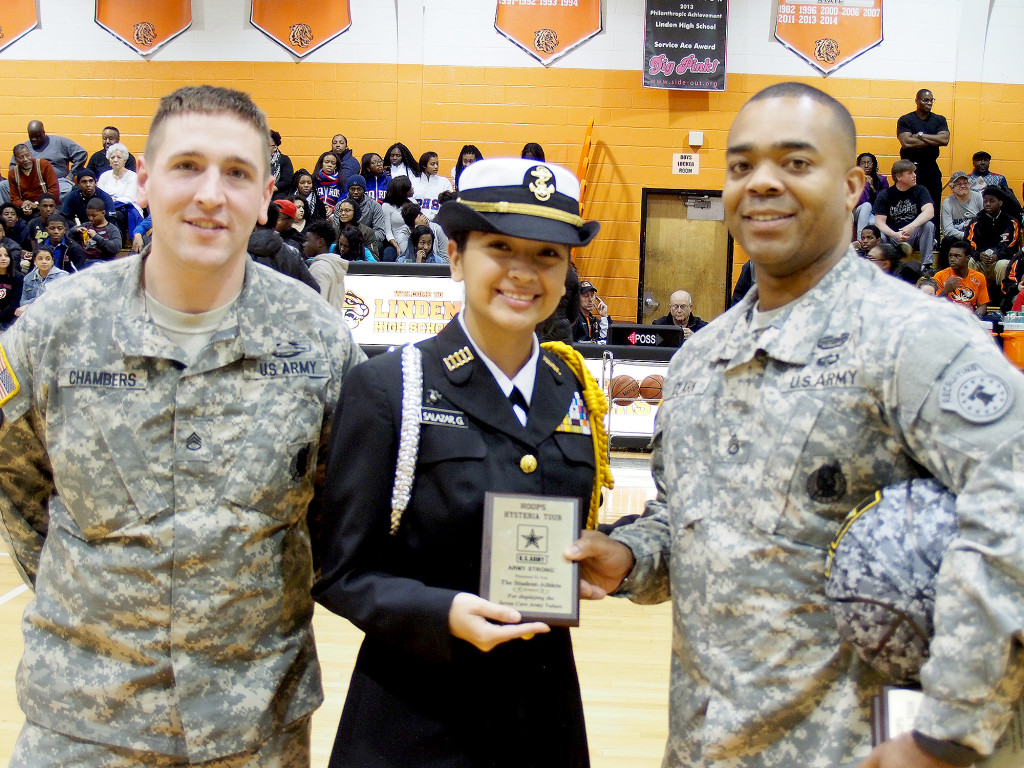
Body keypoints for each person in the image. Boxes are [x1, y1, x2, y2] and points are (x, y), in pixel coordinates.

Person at [565, 81, 1024, 768]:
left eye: (796, 163)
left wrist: (948, 732)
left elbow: (1012, 512)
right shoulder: (700, 360)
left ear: (852, 186)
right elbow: (690, 518)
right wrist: (632, 556)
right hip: (705, 745)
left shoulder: (915, 339)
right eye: (742, 165)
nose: (762, 183)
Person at [0, 84, 365, 766]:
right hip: (83, 727)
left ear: (265, 198)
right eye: (186, 166)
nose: (210, 194)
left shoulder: (317, 339)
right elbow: (20, 492)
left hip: (254, 729)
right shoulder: (57, 328)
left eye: (237, 173)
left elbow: (338, 511)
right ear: (143, 180)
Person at [312, 156, 605, 768]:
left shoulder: (570, 387)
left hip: (542, 723)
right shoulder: (391, 386)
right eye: (499, 247)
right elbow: (339, 571)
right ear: (455, 254)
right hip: (416, 724)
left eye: (549, 254)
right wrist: (440, 612)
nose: (524, 273)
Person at [896, 88, 949, 226]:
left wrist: (919, 135)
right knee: (910, 204)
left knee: (933, 204)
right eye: (926, 100)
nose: (929, 103)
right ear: (917, 101)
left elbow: (944, 140)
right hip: (910, 168)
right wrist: (933, 140)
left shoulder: (939, 119)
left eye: (931, 100)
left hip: (931, 168)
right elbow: (906, 142)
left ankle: (934, 240)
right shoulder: (906, 119)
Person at [873, 159, 936, 266]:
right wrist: (895, 234)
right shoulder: (885, 194)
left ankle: (926, 265)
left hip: (913, 235)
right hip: (893, 237)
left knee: (928, 225)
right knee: (879, 234)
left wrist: (912, 226)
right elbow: (879, 222)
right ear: (899, 177)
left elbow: (930, 212)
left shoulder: (921, 190)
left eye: (914, 172)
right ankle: (881, 265)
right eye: (910, 173)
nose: (914, 175)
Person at [6, 120, 88, 199]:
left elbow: (81, 153)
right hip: (30, 186)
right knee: (3, 186)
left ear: (44, 133)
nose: (34, 139)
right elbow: (13, 167)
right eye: (31, 136)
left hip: (58, 182)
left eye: (37, 136)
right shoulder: (23, 148)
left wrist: (71, 175)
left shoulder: (59, 142)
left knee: (66, 191)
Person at [933, 239, 990, 318]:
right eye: (950, 255)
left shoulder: (979, 277)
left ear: (968, 258)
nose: (952, 259)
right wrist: (946, 291)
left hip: (969, 319)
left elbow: (982, 306)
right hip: (946, 318)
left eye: (957, 256)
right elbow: (933, 305)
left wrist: (975, 317)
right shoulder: (940, 276)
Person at [304, 220, 349, 310]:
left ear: (320, 242)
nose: (304, 244)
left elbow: (317, 306)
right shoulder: (333, 265)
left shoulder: (320, 268)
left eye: (307, 240)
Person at [8, 143, 59, 216]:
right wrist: (25, 205)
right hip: (27, 208)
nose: (26, 159)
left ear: (31, 154)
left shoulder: (44, 165)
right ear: (16, 160)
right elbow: (14, 198)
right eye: (21, 157)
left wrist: (37, 204)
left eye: (27, 155)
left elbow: (54, 190)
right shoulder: (13, 173)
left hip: (47, 206)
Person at [15, 244, 68, 313]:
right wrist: (36, 301)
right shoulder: (28, 278)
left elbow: (63, 300)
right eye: (40, 259)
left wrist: (33, 303)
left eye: (48, 259)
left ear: (52, 261)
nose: (44, 262)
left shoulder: (62, 277)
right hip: (34, 314)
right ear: (34, 261)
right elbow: (23, 302)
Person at [940, 170, 983, 241]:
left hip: (977, 236)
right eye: (959, 184)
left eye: (965, 183)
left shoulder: (978, 197)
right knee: (947, 240)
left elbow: (985, 220)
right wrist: (966, 236)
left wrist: (975, 235)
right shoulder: (947, 202)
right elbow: (947, 230)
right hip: (959, 238)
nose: (963, 186)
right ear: (952, 188)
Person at [852, 152, 888, 234]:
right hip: (857, 211)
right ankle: (860, 240)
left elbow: (883, 202)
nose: (866, 165)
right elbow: (861, 201)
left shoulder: (882, 180)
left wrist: (872, 186)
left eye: (869, 163)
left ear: (874, 165)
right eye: (863, 163)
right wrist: (865, 184)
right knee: (866, 205)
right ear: (858, 165)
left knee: (872, 223)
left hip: (874, 213)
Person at [412, 151, 453, 220]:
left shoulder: (444, 182)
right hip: (417, 222)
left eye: (437, 164)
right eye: (432, 164)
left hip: (438, 222)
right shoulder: (413, 182)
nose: (436, 167)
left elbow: (449, 205)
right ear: (424, 165)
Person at [0, 243, 23, 330]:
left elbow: (14, 304)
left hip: (9, 320)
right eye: (0, 256)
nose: (3, 259)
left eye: (6, 255)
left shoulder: (18, 278)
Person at [269, 129, 294, 198]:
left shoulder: (284, 160)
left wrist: (272, 188)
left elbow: (287, 182)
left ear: (274, 147)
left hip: (278, 194)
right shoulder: (256, 160)